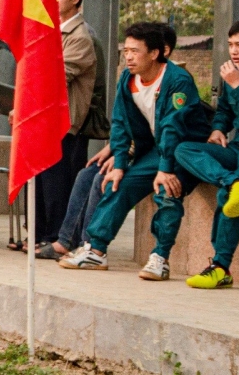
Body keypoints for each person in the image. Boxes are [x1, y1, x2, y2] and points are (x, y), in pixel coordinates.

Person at [59, 22, 211, 279]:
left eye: (135, 51)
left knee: (168, 190)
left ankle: (160, 258)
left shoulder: (177, 80)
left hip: (188, 151)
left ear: (155, 53)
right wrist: (119, 164)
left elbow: (173, 128)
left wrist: (164, 170)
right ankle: (96, 251)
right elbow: (119, 123)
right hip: (157, 149)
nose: (128, 57)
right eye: (126, 50)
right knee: (119, 182)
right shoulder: (128, 79)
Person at [173, 19, 239, 289]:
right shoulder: (233, 73)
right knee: (184, 149)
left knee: (229, 199)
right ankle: (234, 182)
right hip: (237, 150)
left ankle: (220, 267)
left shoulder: (235, 78)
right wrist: (217, 129)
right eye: (231, 45)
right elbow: (224, 111)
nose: (234, 51)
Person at [31, 0, 101, 247]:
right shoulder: (51, 30)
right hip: (43, 118)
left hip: (64, 120)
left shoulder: (81, 36)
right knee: (40, 179)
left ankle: (55, 237)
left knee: (57, 183)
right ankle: (37, 236)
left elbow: (55, 76)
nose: (53, 0)